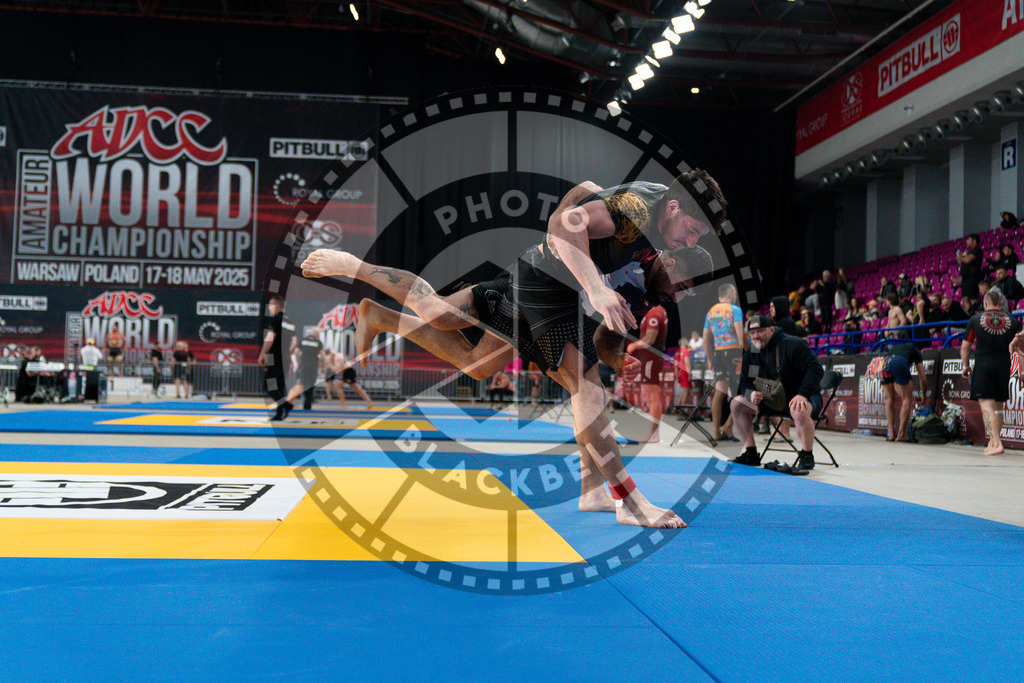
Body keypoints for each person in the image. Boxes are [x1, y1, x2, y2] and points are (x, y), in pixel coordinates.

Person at [302, 171, 724, 529]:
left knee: (468, 352)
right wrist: (595, 286)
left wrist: (618, 357)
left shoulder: (646, 272)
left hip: (540, 278)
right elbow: (569, 219)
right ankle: (628, 500)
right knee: (585, 384)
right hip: (546, 280)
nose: (687, 243)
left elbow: (605, 337)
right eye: (691, 231)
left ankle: (379, 315)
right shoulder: (636, 210)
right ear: (673, 210)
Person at [729, 315, 823, 470]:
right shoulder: (752, 353)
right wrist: (750, 393)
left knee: (799, 408)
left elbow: (815, 370)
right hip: (771, 400)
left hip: (802, 396)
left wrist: (803, 394)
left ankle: (807, 454)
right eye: (752, 333)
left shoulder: (792, 344)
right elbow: (746, 381)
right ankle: (751, 453)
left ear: (772, 329)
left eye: (760, 331)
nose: (756, 336)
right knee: (736, 403)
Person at [961, 289, 1021, 455]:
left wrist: (965, 366)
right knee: (999, 406)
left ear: (985, 304)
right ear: (1001, 303)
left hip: (984, 364)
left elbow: (965, 347)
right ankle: (994, 442)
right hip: (1004, 365)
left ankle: (999, 443)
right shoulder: (1014, 321)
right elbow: (1021, 346)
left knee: (986, 403)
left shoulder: (975, 319)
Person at [703, 284, 744, 443]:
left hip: (718, 353)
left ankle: (715, 432)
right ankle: (727, 426)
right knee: (741, 392)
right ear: (730, 293)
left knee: (719, 393)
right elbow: (740, 335)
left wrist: (710, 359)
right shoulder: (734, 309)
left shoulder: (710, 312)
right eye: (734, 293)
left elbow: (706, 338)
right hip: (733, 352)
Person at [627, 304, 669, 443]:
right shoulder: (657, 311)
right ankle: (653, 433)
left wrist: (634, 345)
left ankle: (654, 434)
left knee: (652, 395)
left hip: (651, 357)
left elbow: (650, 338)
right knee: (651, 395)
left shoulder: (655, 312)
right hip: (651, 357)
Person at [873, 343, 926, 442]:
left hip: (884, 363)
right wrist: (923, 395)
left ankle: (891, 434)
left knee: (889, 399)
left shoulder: (895, 348)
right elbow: (922, 377)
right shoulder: (915, 352)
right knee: (907, 399)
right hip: (898, 362)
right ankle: (901, 434)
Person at [276, 328, 325, 417]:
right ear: (315, 334)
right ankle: (307, 404)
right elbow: (322, 355)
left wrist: (298, 363)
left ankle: (299, 401)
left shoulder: (303, 341)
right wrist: (324, 366)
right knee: (310, 384)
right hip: (313, 366)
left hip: (304, 365)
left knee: (303, 384)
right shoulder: (318, 343)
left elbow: (296, 352)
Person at [258, 296, 294, 411]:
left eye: (271, 305)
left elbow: (270, 337)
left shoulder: (276, 318)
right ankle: (279, 414)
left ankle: (286, 405)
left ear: (277, 306)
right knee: (279, 386)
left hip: (275, 357)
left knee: (269, 386)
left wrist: (262, 354)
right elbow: (294, 342)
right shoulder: (290, 321)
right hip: (285, 357)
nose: (269, 308)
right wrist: (287, 353)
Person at [956, 233, 984, 305]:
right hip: (965, 280)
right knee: (965, 298)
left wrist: (960, 258)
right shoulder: (970, 251)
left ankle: (976, 314)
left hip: (973, 279)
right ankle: (971, 315)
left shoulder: (977, 250)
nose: (966, 241)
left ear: (974, 241)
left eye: (968, 239)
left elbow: (968, 260)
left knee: (973, 299)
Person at [672, 337, 692, 414]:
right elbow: (687, 363)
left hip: (680, 372)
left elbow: (676, 365)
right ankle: (683, 409)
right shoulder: (686, 351)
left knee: (684, 391)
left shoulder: (677, 352)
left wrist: (677, 375)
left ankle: (677, 407)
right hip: (685, 372)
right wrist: (689, 374)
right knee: (686, 391)